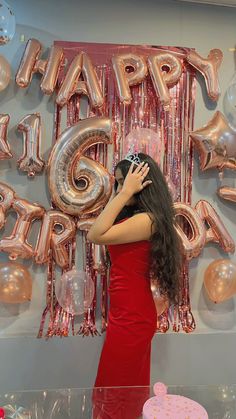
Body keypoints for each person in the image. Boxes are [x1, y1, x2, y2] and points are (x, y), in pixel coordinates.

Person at [88, 151, 181, 419]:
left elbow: (96, 234)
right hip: (126, 315)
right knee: (116, 387)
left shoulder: (147, 220)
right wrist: (123, 192)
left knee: (117, 391)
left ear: (140, 184)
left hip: (133, 318)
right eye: (117, 183)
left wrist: (122, 193)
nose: (118, 188)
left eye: (122, 182)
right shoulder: (136, 218)